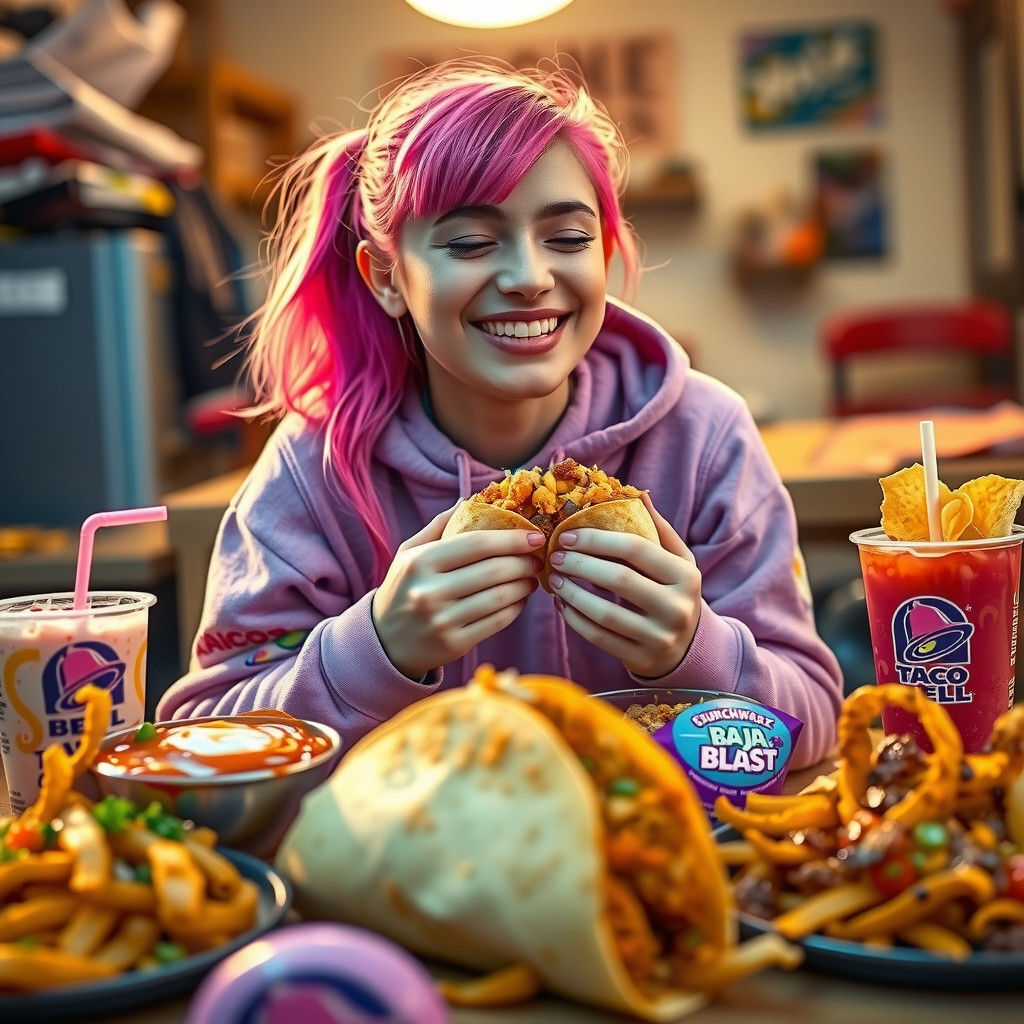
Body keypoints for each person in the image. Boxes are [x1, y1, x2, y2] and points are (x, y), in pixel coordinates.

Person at [157, 58, 842, 767]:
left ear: (604, 252)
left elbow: (816, 713)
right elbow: (197, 745)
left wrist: (694, 651)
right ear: (387, 277)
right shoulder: (312, 472)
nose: (528, 278)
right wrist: (375, 649)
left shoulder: (704, 439)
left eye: (568, 239)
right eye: (471, 243)